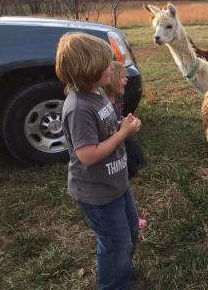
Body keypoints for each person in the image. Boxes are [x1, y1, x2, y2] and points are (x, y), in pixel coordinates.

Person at [56, 32, 142, 290]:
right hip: (97, 194)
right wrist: (123, 134)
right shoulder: (79, 108)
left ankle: (122, 269)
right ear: (89, 70)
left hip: (116, 183)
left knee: (130, 233)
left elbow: (104, 128)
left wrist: (120, 125)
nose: (112, 68)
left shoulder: (97, 93)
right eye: (106, 64)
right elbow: (88, 154)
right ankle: (114, 284)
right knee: (115, 242)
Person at [104, 61, 148, 229]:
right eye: (122, 77)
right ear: (112, 79)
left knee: (124, 182)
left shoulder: (119, 96)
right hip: (110, 154)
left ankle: (130, 216)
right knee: (116, 188)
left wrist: (125, 122)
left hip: (119, 147)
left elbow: (116, 120)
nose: (126, 80)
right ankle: (125, 219)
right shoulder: (100, 103)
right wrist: (123, 128)